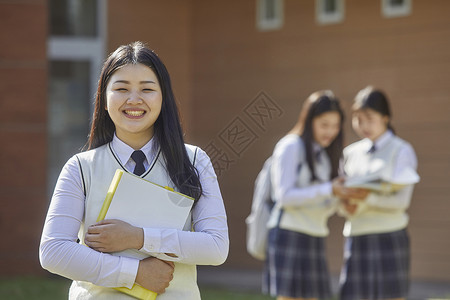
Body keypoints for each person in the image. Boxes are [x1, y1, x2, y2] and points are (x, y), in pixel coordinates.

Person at [39, 41, 229, 300]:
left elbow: (216, 248)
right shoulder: (80, 168)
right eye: (121, 88)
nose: (134, 99)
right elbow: (54, 251)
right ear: (104, 101)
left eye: (147, 89)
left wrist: (138, 238)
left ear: (163, 98)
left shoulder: (195, 161)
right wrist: (134, 273)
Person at [262, 90, 365, 300]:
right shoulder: (290, 146)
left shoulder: (327, 154)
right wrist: (330, 189)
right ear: (309, 121)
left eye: (335, 126)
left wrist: (343, 204)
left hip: (315, 233)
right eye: (324, 124)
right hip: (288, 233)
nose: (331, 131)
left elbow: (323, 198)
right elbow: (285, 197)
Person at [338, 86, 418, 300]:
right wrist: (344, 207)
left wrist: (368, 198)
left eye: (369, 118)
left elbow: (401, 201)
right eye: (358, 119)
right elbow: (339, 194)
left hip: (390, 236)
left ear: (385, 117)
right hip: (356, 235)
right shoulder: (350, 153)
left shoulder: (402, 150)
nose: (363, 125)